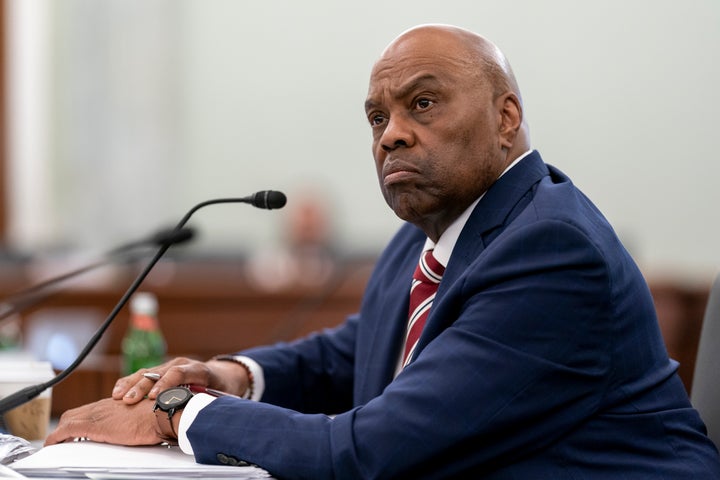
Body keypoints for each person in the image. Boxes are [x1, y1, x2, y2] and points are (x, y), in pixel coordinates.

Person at [45, 24, 720, 479]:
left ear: (506, 119)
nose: (392, 135)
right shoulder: (427, 237)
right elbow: (350, 352)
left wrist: (174, 414)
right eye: (378, 117)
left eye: (422, 104)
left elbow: (369, 454)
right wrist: (229, 376)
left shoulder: (550, 252)